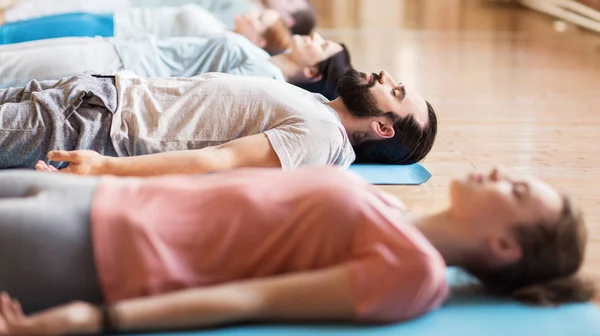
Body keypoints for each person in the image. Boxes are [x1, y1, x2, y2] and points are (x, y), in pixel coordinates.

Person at [0, 166, 593, 335]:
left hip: (95, 252)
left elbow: (253, 298)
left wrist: (98, 320)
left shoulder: (413, 276)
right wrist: (103, 179)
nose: (500, 172)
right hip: (99, 197)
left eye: (517, 191)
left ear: (503, 246)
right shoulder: (393, 210)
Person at [0, 54, 436, 170]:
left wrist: (103, 171)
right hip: (94, 91)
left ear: (382, 127)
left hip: (93, 126)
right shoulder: (319, 106)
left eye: (395, 91)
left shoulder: (323, 138)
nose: (384, 75)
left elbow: (217, 161)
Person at [0, 32, 341, 98]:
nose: (316, 37)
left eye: (321, 46)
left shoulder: (264, 75)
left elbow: (197, 93)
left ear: (313, 72)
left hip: (115, 63)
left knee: (7, 68)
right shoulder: (263, 61)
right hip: (116, 50)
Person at [0, 0, 317, 35]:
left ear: (287, 20)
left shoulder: (243, 13)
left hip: (131, 12)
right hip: (134, 4)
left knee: (34, 12)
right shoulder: (244, 6)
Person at [0, 6, 291, 55]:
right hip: (110, 20)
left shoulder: (221, 42)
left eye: (260, 17)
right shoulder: (221, 29)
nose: (252, 12)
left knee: (11, 38)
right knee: (14, 31)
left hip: (109, 33)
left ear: (259, 39)